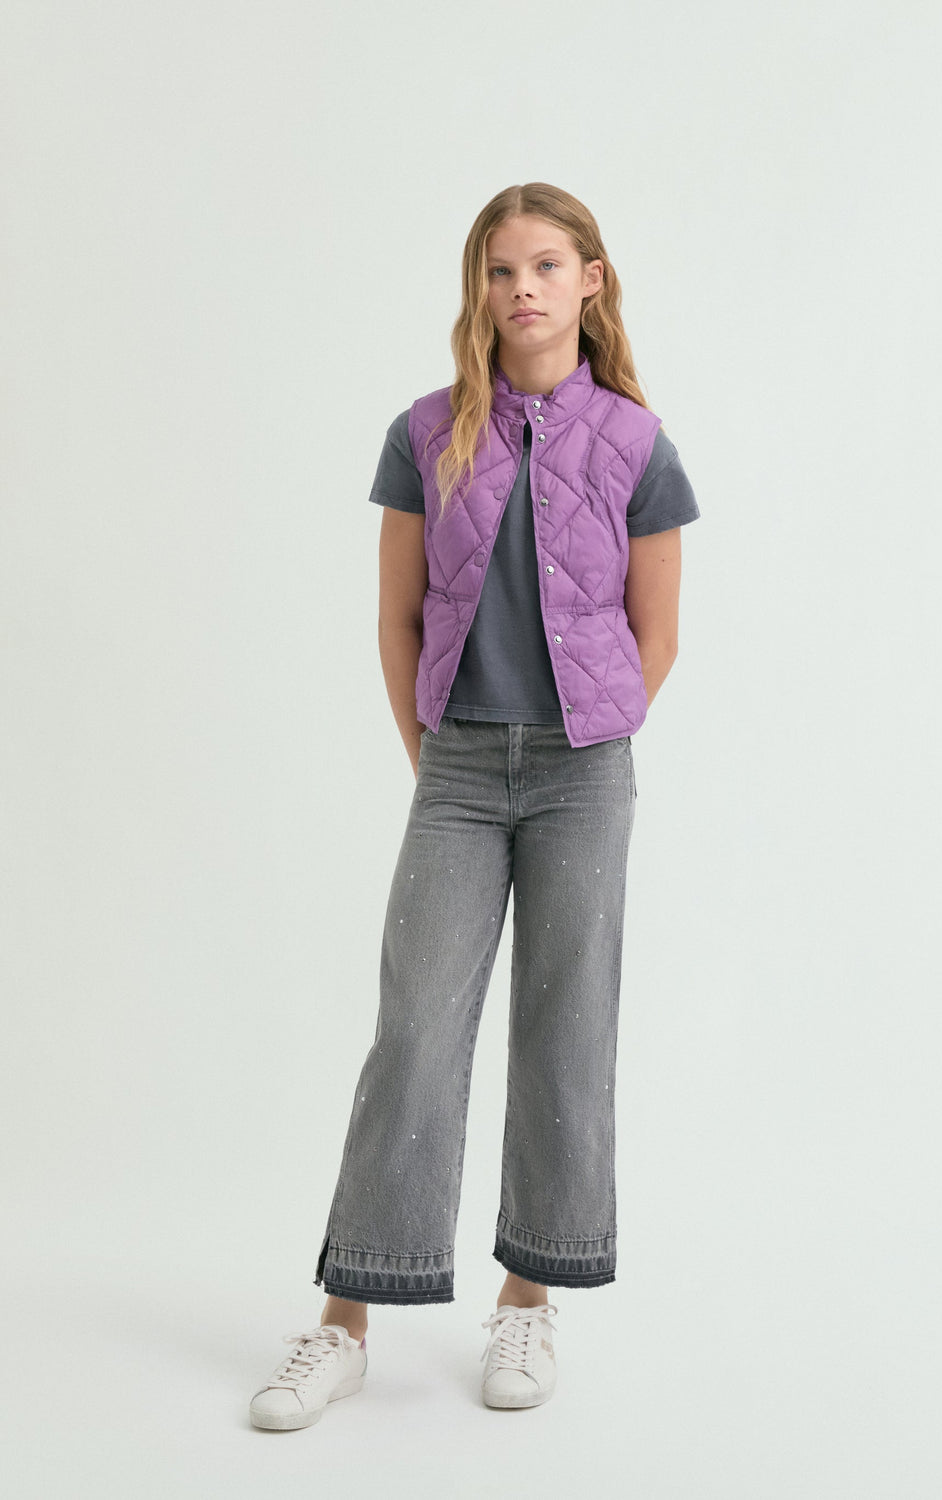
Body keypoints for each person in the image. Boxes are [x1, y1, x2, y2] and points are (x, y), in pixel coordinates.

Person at [249, 182, 699, 1430]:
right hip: (455, 768)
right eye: (501, 270)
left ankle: (527, 1298)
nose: (522, 290)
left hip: (580, 772)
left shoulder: (637, 444)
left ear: (590, 280)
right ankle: (346, 1320)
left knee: (566, 1030)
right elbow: (396, 620)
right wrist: (434, 758)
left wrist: (585, 739)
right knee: (414, 1030)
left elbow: (657, 635)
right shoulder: (425, 432)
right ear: (479, 289)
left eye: (546, 265)